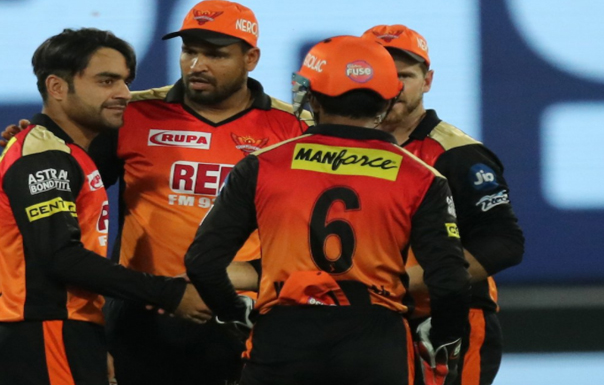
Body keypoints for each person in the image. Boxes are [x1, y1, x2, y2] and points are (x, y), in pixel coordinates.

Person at [0, 0, 311, 385]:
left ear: (251, 58)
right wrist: (37, 140)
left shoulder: (294, 129)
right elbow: (73, 185)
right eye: (189, 51)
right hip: (140, 316)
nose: (197, 65)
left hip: (242, 317)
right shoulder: (133, 114)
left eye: (215, 54)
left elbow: (308, 234)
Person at [185, 35, 471, 385]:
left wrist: (233, 312)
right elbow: (450, 281)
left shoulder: (261, 165)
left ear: (312, 96)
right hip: (376, 343)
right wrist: (444, 337)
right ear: (389, 98)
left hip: (283, 338)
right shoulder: (422, 177)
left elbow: (202, 262)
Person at [0, 28, 211, 385]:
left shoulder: (68, 154)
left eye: (125, 81)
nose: (123, 93)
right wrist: (170, 294)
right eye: (106, 81)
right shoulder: (45, 157)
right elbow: (61, 258)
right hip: (46, 333)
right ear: (57, 87)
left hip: (60, 331)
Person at [362, 24, 525, 385]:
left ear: (427, 80)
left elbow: (503, 243)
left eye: (404, 75)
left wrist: (402, 282)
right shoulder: (340, 148)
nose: (393, 86)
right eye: (381, 74)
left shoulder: (458, 154)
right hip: (368, 318)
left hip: (448, 321)